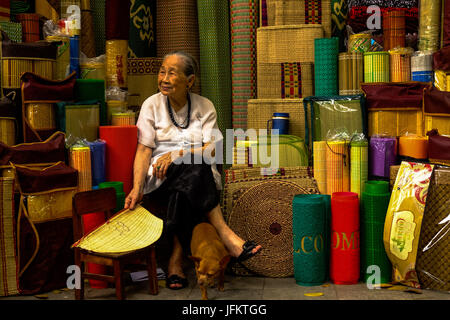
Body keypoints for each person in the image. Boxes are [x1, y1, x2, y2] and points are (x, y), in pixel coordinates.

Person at [124, 51, 261, 290]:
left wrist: (179, 153)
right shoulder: (151, 105)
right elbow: (144, 150)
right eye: (162, 71)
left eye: (172, 73)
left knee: (192, 169)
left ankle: (175, 261)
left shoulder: (204, 106)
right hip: (161, 177)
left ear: (189, 80)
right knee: (195, 168)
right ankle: (227, 235)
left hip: (196, 176)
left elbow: (214, 150)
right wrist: (136, 188)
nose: (164, 78)